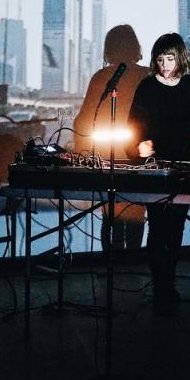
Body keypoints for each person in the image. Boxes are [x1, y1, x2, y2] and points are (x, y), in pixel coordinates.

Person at [126, 32, 190, 314]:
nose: (165, 64)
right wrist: (136, 147)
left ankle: (168, 284)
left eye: (170, 58)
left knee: (176, 227)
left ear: (180, 58)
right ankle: (161, 286)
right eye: (161, 59)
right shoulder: (147, 87)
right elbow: (132, 126)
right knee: (157, 226)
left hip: (186, 164)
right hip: (155, 166)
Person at [73, 24, 150, 252]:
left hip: (107, 162)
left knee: (111, 218)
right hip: (141, 162)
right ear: (135, 47)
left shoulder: (101, 77)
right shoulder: (147, 76)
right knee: (136, 215)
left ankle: (111, 270)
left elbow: (83, 120)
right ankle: (133, 265)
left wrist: (81, 153)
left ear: (108, 49)